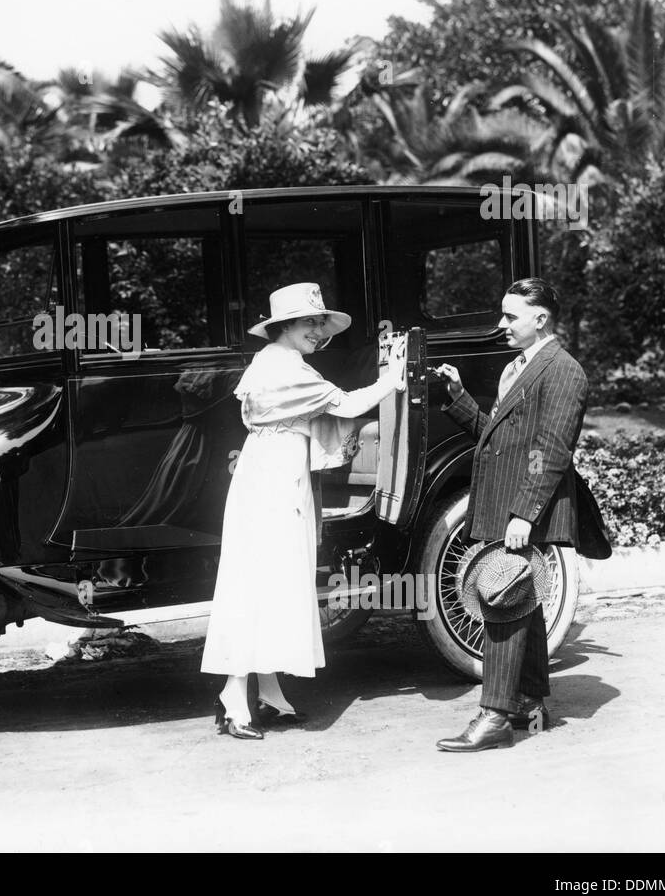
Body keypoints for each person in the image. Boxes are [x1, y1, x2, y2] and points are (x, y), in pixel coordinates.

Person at [201, 282, 406, 739]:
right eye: (310, 323)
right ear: (286, 326)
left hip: (274, 473)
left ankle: (269, 692)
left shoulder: (276, 363)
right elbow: (349, 404)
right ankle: (235, 695)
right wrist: (391, 380)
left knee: (275, 579)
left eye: (320, 323)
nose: (318, 332)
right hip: (273, 479)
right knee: (264, 580)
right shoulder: (285, 368)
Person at [432, 277, 589, 752]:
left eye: (509, 316)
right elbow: (498, 438)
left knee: (500, 596)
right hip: (506, 500)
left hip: (523, 505)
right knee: (522, 598)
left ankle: (494, 716)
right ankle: (528, 703)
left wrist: (524, 513)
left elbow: (550, 451)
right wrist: (460, 398)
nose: (501, 324)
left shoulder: (563, 370)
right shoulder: (519, 367)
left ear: (539, 319)